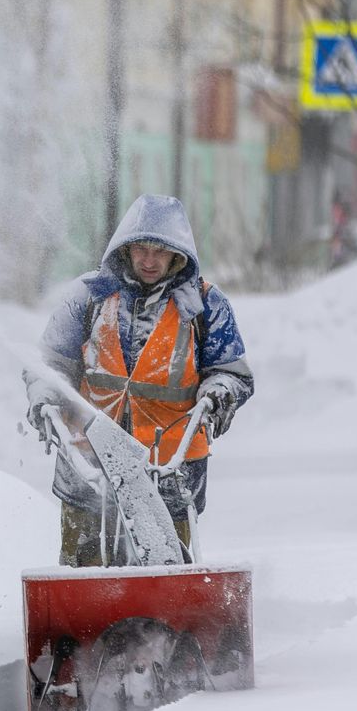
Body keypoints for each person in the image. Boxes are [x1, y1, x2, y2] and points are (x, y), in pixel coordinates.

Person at [25, 194, 254, 566]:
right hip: (89, 462)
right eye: (141, 249)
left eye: (160, 251)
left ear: (178, 255)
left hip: (169, 468)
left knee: (166, 567)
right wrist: (45, 397)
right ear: (126, 249)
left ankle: (166, 622)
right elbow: (51, 364)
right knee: (84, 566)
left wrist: (219, 393)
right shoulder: (89, 296)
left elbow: (231, 371)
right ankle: (81, 623)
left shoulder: (205, 305)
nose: (149, 260)